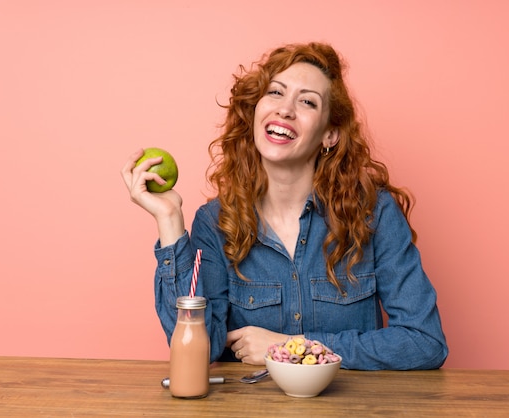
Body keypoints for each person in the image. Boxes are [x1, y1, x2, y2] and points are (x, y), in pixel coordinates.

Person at [121, 42, 448, 370]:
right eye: (275, 93)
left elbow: (425, 341)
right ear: (256, 111)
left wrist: (293, 348)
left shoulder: (373, 212)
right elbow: (198, 349)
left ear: (330, 134)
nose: (285, 109)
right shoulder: (216, 222)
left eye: (307, 101)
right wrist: (169, 220)